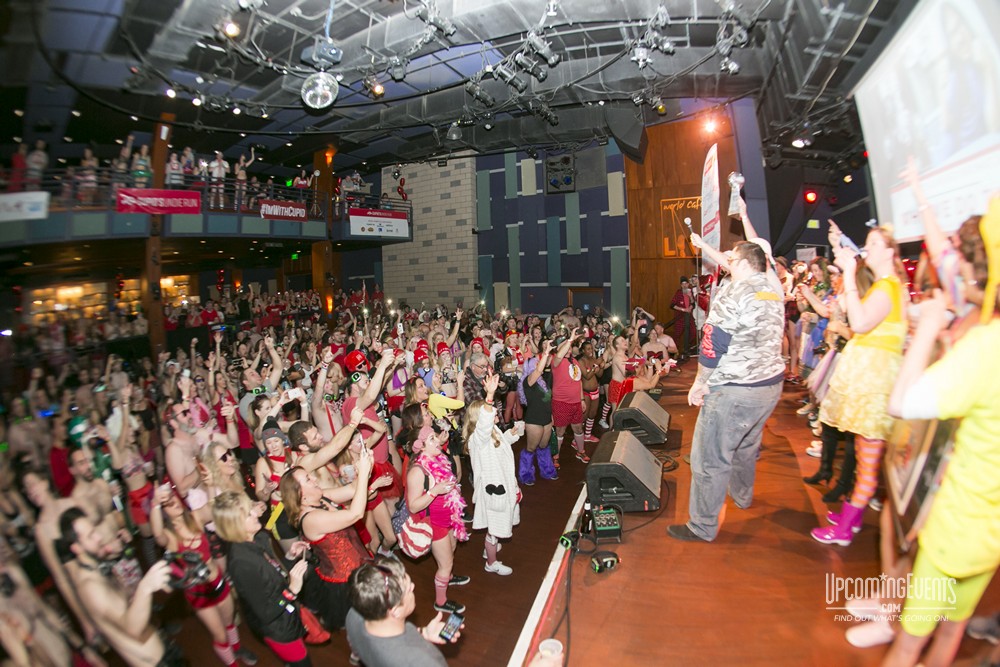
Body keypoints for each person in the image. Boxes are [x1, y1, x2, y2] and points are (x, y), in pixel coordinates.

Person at [881, 206, 1000, 667]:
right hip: (991, 533)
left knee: (909, 642)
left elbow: (902, 402)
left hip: (960, 524)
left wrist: (930, 323)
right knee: (952, 632)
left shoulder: (987, 347)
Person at [667, 241, 785, 542]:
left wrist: (700, 382)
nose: (727, 262)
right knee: (746, 446)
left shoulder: (734, 291)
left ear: (744, 264)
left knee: (710, 458)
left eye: (731, 259)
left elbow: (712, 344)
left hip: (735, 390)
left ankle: (702, 526)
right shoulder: (773, 289)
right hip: (770, 386)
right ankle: (742, 496)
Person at [809, 222, 907, 546]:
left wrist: (849, 274)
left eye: (874, 244)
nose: (867, 248)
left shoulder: (887, 288)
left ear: (890, 252)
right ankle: (853, 518)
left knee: (867, 462)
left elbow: (861, 323)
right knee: (866, 458)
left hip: (874, 386)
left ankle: (844, 531)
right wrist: (840, 246)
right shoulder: (887, 286)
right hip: (870, 381)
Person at [58, 507, 182, 666]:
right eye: (90, 536)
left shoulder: (99, 567)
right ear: (77, 548)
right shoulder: (90, 587)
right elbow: (132, 629)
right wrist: (145, 587)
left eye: (94, 530)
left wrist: (121, 552)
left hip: (163, 648)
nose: (99, 537)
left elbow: (128, 601)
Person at [149, 484, 256, 667]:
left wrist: (209, 484)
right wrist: (155, 504)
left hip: (218, 582)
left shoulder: (195, 517)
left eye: (173, 497)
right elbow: (157, 534)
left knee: (230, 622)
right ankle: (233, 664)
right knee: (220, 635)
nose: (173, 502)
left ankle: (237, 649)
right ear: (163, 512)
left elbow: (213, 507)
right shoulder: (169, 535)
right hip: (198, 593)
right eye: (167, 504)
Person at [213, 492, 313, 667]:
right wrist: (291, 592)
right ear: (234, 525)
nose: (255, 513)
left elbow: (272, 572)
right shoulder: (241, 563)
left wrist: (290, 556)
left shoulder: (258, 538)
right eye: (248, 513)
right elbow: (266, 613)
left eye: (251, 508)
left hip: (287, 616)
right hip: (278, 630)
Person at [346, 557, 462, 667]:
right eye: (409, 589)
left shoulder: (354, 615)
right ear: (396, 611)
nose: (413, 586)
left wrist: (424, 633)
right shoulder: (422, 661)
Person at [403, 422, 468, 614]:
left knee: (452, 550)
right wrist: (434, 491)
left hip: (449, 518)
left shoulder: (438, 458)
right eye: (432, 438)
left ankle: (448, 576)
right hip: (434, 523)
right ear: (421, 446)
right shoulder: (417, 471)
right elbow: (413, 505)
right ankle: (441, 601)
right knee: (445, 564)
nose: (437, 440)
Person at [464, 375, 522, 576]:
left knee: (496, 526)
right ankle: (491, 562)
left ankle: (490, 547)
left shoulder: (493, 431)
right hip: (493, 491)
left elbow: (499, 444)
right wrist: (489, 395)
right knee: (494, 529)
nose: (495, 411)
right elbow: (484, 428)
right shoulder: (477, 438)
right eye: (490, 411)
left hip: (503, 484)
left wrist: (511, 435)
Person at [671, 278, 698, 358]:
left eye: (686, 283)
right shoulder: (678, 293)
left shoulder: (690, 292)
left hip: (689, 316)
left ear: (688, 284)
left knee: (693, 332)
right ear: (681, 285)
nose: (684, 285)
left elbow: (693, 304)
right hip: (680, 317)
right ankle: (675, 351)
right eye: (682, 284)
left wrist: (690, 298)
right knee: (677, 335)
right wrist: (683, 309)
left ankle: (687, 348)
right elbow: (672, 305)